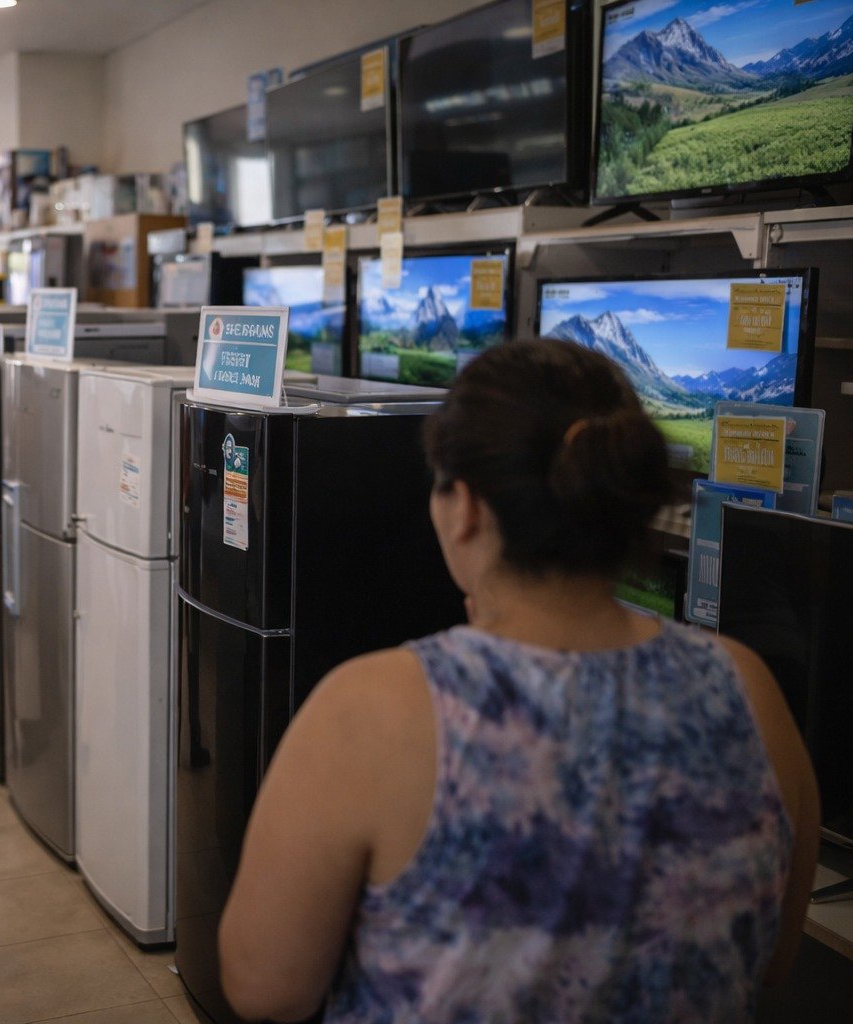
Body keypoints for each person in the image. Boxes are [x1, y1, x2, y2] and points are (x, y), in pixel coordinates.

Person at [217, 338, 820, 1023]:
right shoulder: (748, 688)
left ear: (465, 508)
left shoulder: (373, 710)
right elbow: (773, 959)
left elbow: (264, 985)